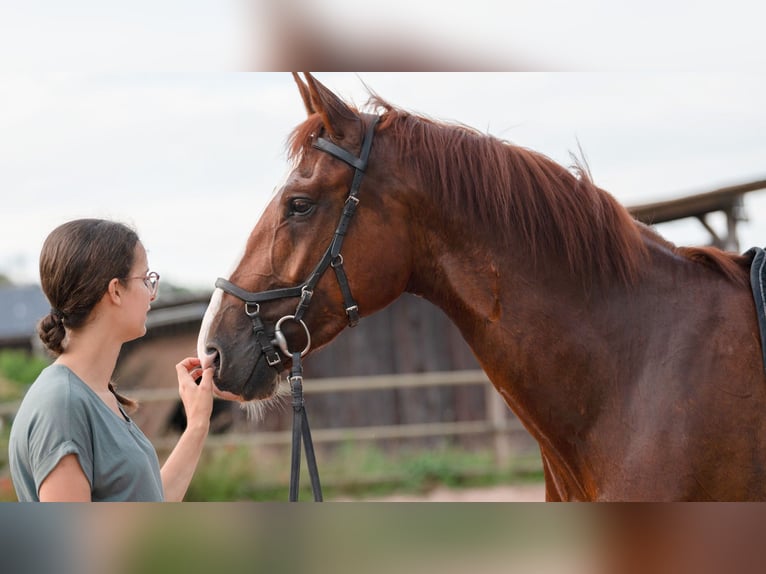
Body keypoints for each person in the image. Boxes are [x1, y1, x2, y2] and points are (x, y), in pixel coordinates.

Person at [8, 218, 215, 501]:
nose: (152, 295)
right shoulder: (63, 405)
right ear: (115, 290)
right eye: (145, 280)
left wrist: (198, 424)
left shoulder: (92, 395)